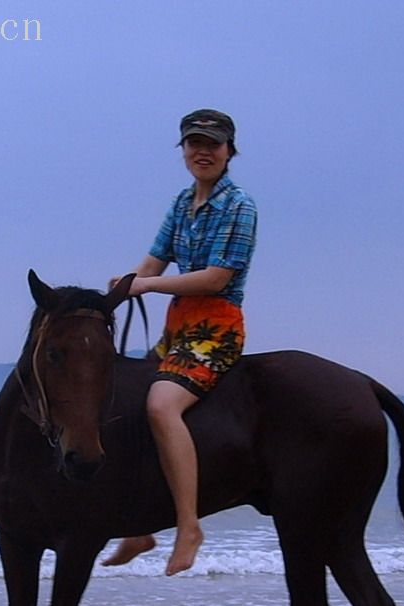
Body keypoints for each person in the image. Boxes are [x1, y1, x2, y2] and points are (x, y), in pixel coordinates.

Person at [103, 109, 257, 576]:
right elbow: (152, 262)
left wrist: (146, 287)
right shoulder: (181, 202)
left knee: (161, 405)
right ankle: (137, 526)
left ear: (230, 151)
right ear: (183, 150)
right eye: (194, 143)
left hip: (215, 327)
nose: (202, 152)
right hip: (176, 327)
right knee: (120, 402)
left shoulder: (238, 206)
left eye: (212, 144)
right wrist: (117, 290)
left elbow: (215, 278)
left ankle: (189, 526)